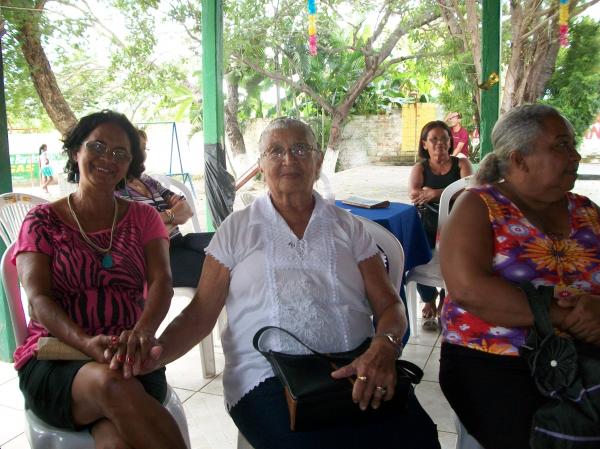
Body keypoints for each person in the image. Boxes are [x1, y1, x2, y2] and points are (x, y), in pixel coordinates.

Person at [124, 117, 440, 449]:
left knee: (418, 437)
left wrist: (384, 347)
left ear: (318, 161)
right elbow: (201, 313)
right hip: (267, 377)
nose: (288, 159)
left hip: (356, 368)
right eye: (275, 151)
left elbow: (390, 305)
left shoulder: (348, 228)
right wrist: (154, 356)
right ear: (261, 166)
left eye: (300, 149)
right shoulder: (237, 229)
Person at [11, 110, 186, 449]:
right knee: (112, 386)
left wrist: (143, 333)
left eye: (121, 152)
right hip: (58, 357)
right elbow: (38, 300)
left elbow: (162, 282)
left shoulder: (143, 217)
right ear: (76, 151)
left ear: (131, 164)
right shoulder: (42, 221)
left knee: (115, 441)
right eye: (98, 146)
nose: (109, 158)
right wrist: (86, 343)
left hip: (128, 357)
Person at [438, 104, 600, 449]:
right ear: (519, 159)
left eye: (572, 144)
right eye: (560, 146)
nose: (575, 155)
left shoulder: (587, 212)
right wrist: (561, 316)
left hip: (585, 353)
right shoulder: (478, 206)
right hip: (498, 360)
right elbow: (469, 289)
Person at [116, 129, 213, 288]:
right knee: (217, 267)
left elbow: (186, 210)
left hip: (179, 241)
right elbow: (139, 229)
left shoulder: (147, 181)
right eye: (138, 149)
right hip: (156, 258)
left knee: (229, 242)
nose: (144, 155)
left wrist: (161, 219)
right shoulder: (116, 191)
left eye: (144, 149)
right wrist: (171, 215)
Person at [408, 121, 471, 330]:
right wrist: (452, 192)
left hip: (459, 226)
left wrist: (435, 193)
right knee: (417, 252)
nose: (440, 144)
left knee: (458, 257)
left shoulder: (461, 165)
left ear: (450, 142)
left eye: (444, 138)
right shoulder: (420, 167)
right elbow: (415, 195)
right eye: (433, 139)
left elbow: (472, 190)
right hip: (428, 224)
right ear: (424, 144)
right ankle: (428, 298)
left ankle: (446, 296)